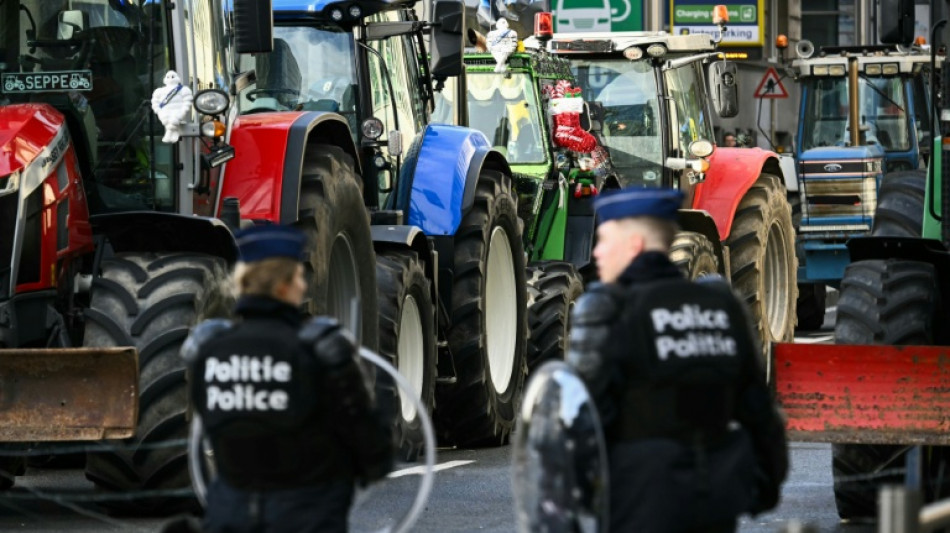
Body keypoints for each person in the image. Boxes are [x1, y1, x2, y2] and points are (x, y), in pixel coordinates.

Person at [567, 187, 788, 532]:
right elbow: (760, 411)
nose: (596, 252)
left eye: (604, 240)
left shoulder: (609, 308)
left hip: (637, 505)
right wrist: (763, 487)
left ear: (634, 245)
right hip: (717, 503)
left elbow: (587, 422)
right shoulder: (721, 307)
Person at [181, 224, 393, 533]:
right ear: (282, 286)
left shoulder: (209, 351)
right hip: (307, 520)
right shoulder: (319, 350)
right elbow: (370, 447)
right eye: (297, 278)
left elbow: (209, 428)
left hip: (229, 519)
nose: (303, 287)